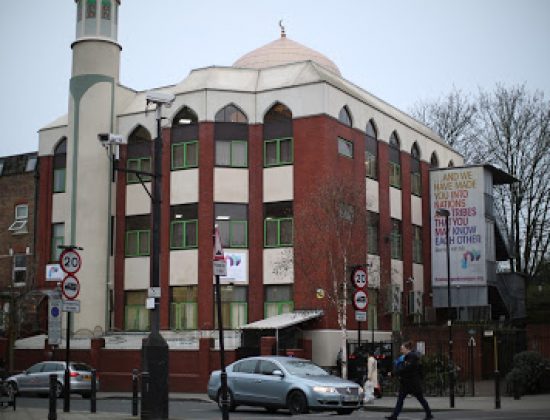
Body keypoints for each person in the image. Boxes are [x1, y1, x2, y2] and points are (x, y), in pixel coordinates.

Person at [386, 341, 433, 420]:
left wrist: (394, 373)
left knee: (420, 399)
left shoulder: (411, 357)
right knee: (400, 399)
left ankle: (429, 414)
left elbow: (406, 369)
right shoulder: (408, 357)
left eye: (402, 349)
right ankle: (394, 416)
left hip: (412, 383)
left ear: (407, 349)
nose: (401, 350)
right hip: (406, 383)